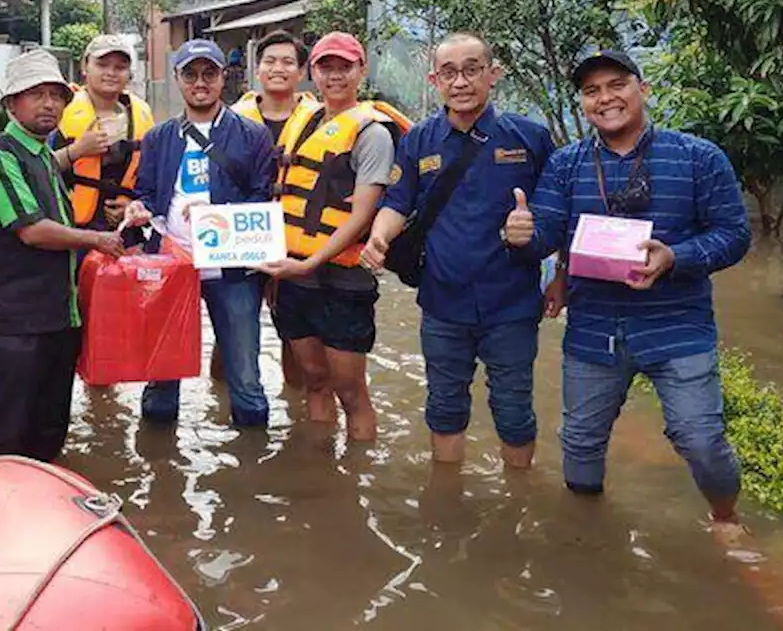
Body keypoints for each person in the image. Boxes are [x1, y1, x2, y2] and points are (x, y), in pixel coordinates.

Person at [503, 49, 751, 527]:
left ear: (643, 89)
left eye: (617, 84)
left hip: (677, 324)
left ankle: (726, 517)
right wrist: (519, 235)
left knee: (700, 437)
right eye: (592, 91)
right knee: (579, 440)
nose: (605, 98)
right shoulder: (566, 165)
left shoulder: (699, 158)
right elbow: (547, 232)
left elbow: (734, 235)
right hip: (595, 327)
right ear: (583, 104)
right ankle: (586, 530)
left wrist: (675, 257)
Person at [361, 32, 558, 468]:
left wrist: (550, 258)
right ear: (435, 80)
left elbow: (558, 213)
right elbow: (397, 201)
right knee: (445, 406)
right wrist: (379, 236)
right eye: (449, 72)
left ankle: (517, 501)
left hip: (512, 303)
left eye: (472, 69)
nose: (461, 82)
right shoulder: (419, 140)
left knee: (513, 410)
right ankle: (446, 502)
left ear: (493, 75)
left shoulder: (530, 138)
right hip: (442, 302)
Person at [0, 50, 125, 461]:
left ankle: (40, 519)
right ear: (11, 104)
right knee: (5, 439)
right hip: (15, 326)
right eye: (35, 94)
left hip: (58, 318)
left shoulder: (42, 155)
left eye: (56, 95)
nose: (49, 104)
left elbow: (53, 180)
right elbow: (32, 231)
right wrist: (96, 241)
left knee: (50, 432)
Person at [260, 32, 409, 442]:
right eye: (326, 67)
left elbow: (361, 216)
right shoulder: (303, 120)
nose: (335, 76)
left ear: (361, 71)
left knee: (350, 389)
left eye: (345, 67)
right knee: (313, 379)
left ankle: (357, 479)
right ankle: (319, 470)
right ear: (313, 73)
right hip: (293, 276)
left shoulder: (373, 133)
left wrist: (308, 262)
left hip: (342, 280)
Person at [124, 39, 278, 427]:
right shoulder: (159, 137)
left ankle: (252, 466)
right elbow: (146, 192)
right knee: (161, 376)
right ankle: (159, 462)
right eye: (190, 74)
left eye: (209, 73)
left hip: (234, 269)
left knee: (245, 376)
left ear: (223, 77)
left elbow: (261, 198)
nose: (200, 82)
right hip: (171, 268)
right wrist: (139, 208)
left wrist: (218, 215)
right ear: (177, 78)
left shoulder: (253, 135)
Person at [224, 29, 318, 388]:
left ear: (300, 71)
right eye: (270, 61)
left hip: (296, 239)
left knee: (292, 335)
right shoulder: (232, 119)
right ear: (257, 70)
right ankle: (223, 400)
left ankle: (294, 406)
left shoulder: (320, 119)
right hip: (240, 236)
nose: (278, 68)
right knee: (231, 329)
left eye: (288, 62)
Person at [52, 34, 155, 232]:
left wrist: (134, 205)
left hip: (125, 228)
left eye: (120, 67)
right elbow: (36, 169)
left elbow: (152, 176)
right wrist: (77, 150)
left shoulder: (141, 114)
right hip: (71, 230)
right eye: (102, 64)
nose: (111, 73)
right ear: (85, 67)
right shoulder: (59, 111)